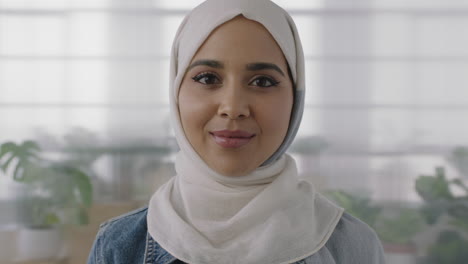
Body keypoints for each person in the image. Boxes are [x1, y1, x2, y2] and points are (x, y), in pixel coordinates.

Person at [87, 0, 386, 263]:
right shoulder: (119, 246)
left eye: (263, 82)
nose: (233, 107)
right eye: (207, 78)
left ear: (295, 99)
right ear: (176, 90)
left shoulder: (351, 246)